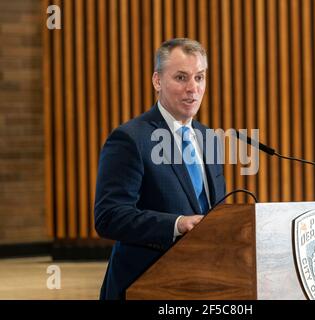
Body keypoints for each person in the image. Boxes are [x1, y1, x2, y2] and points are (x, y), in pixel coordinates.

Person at [94, 38, 226, 300]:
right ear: (157, 81)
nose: (193, 88)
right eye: (181, 77)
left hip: (205, 283)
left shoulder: (209, 137)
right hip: (145, 284)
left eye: (200, 78)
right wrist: (176, 224)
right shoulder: (130, 138)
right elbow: (109, 216)